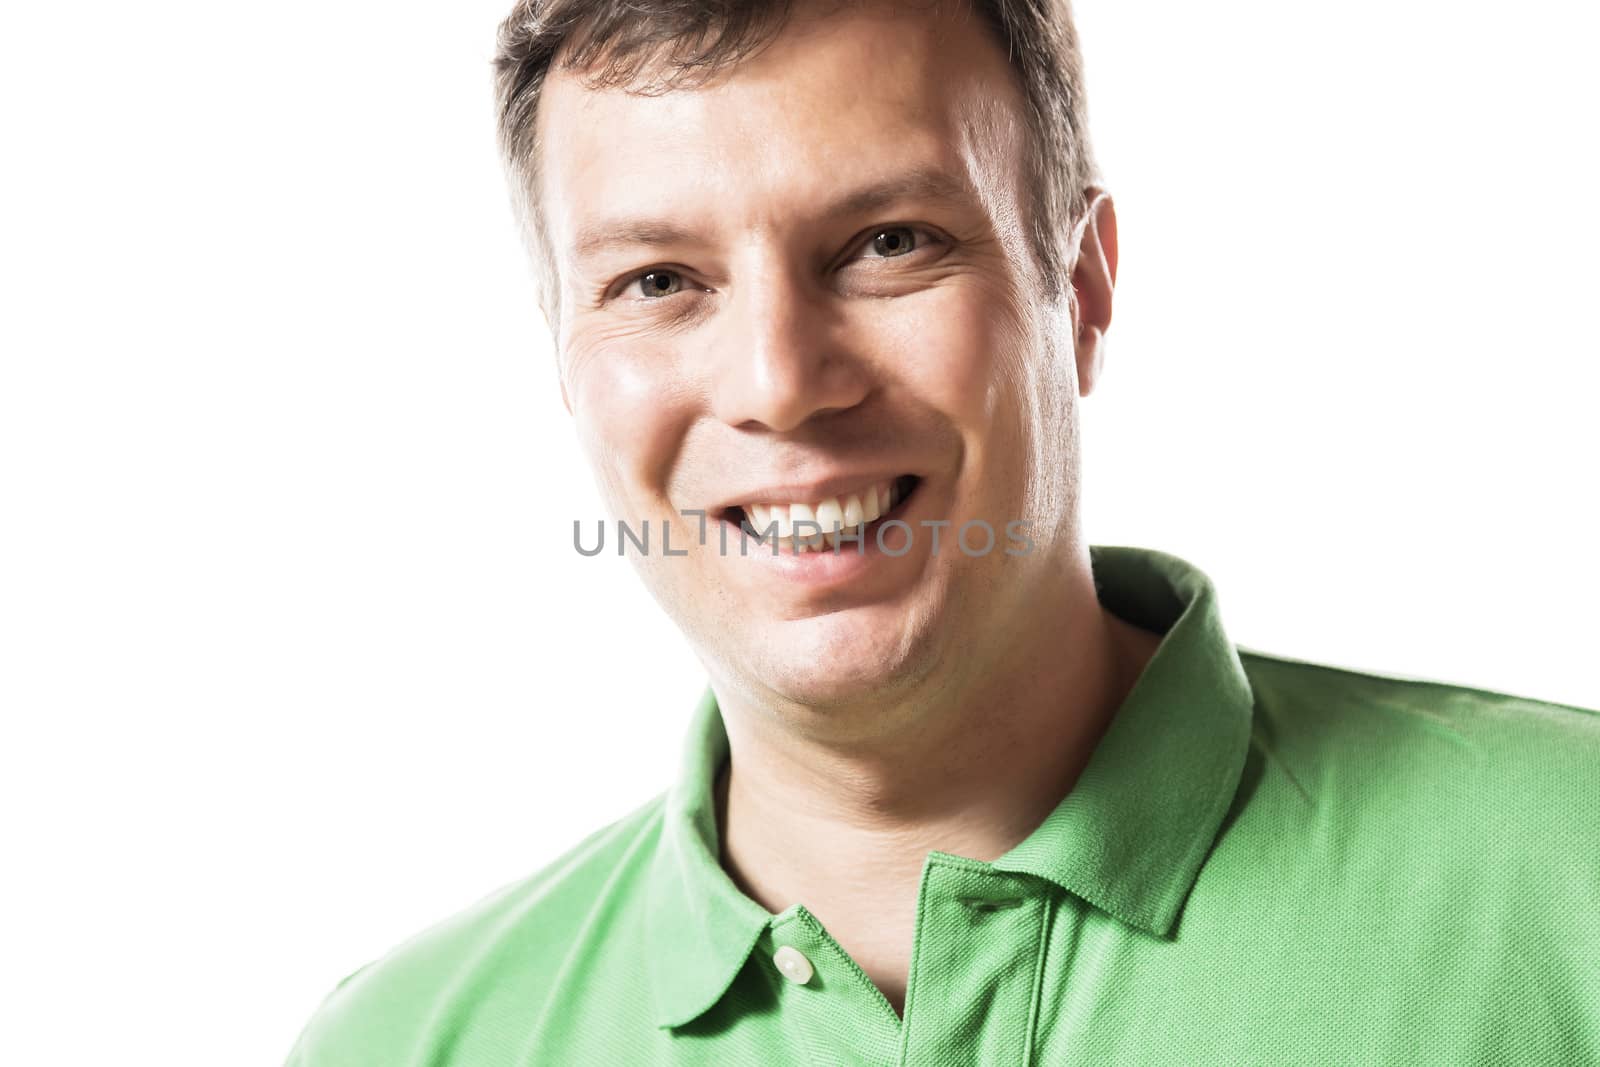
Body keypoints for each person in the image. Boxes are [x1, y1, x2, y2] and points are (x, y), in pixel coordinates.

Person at [285, 1, 1600, 1063]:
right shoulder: (411, 1045)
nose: (779, 381)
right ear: (567, 363)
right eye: (659, 282)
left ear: (1077, 293)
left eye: (887, 243)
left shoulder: (1570, 880)